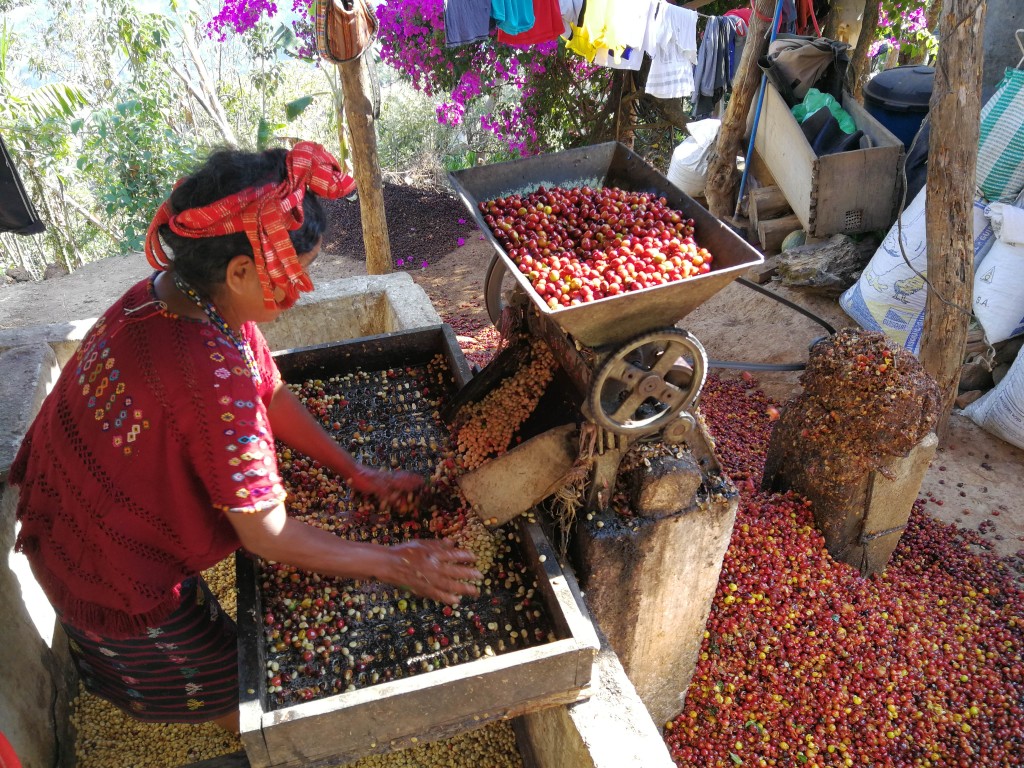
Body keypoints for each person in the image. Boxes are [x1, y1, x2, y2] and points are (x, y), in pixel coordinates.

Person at [9, 142, 481, 732]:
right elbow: (268, 535)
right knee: (223, 688)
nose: (304, 285)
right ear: (240, 271)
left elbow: (271, 390)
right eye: (298, 267)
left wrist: (356, 470)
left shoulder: (174, 296)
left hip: (93, 506)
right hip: (103, 562)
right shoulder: (211, 381)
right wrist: (396, 564)